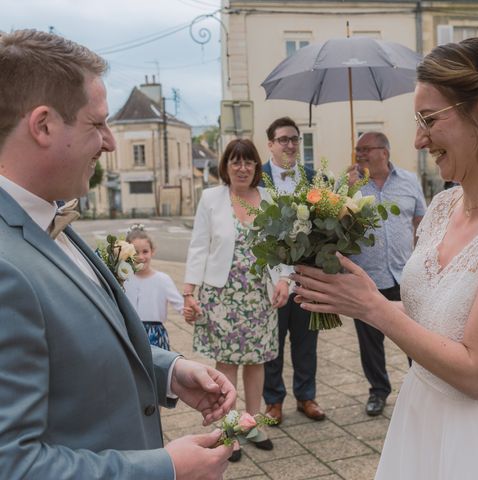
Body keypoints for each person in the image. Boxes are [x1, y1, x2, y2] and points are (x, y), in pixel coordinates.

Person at [292, 37, 478, 479]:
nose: (419, 140)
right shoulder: (443, 206)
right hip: (421, 416)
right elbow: (434, 317)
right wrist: (345, 295)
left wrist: (374, 307)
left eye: (429, 120)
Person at [0, 29, 236, 480]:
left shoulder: (51, 216)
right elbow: (12, 464)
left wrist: (169, 370)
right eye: (97, 124)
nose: (110, 142)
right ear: (44, 125)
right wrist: (166, 468)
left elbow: (77, 350)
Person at [182, 139, 290, 461]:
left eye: (248, 162)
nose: (242, 168)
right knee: (226, 364)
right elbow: (199, 246)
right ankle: (230, 429)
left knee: (257, 362)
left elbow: (284, 246)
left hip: (260, 294)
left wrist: (284, 279)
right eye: (235, 162)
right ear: (226, 166)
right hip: (222, 295)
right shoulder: (211, 199)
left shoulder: (271, 200)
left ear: (257, 166)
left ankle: (252, 423)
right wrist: (189, 291)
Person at [346, 131, 426, 416]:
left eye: (366, 149)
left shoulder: (409, 181)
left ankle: (422, 390)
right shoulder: (350, 184)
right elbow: (333, 223)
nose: (360, 155)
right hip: (366, 277)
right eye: (357, 150)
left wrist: (420, 257)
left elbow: (420, 220)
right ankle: (378, 391)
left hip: (405, 276)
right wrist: (345, 189)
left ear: (384, 152)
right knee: (370, 343)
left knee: (414, 338)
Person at [260, 116, 325, 424]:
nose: (290, 144)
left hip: (305, 274)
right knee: (272, 342)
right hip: (270, 275)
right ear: (270, 144)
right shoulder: (256, 180)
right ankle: (273, 401)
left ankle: (306, 396)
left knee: (306, 341)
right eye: (283, 139)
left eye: (294, 139)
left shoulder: (314, 179)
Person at [124, 224, 182, 351]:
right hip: (129, 333)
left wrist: (191, 311)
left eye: (145, 252)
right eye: (135, 252)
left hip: (155, 335)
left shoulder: (163, 279)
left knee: (156, 369)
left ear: (152, 251)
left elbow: (181, 306)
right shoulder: (123, 280)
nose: (140, 257)